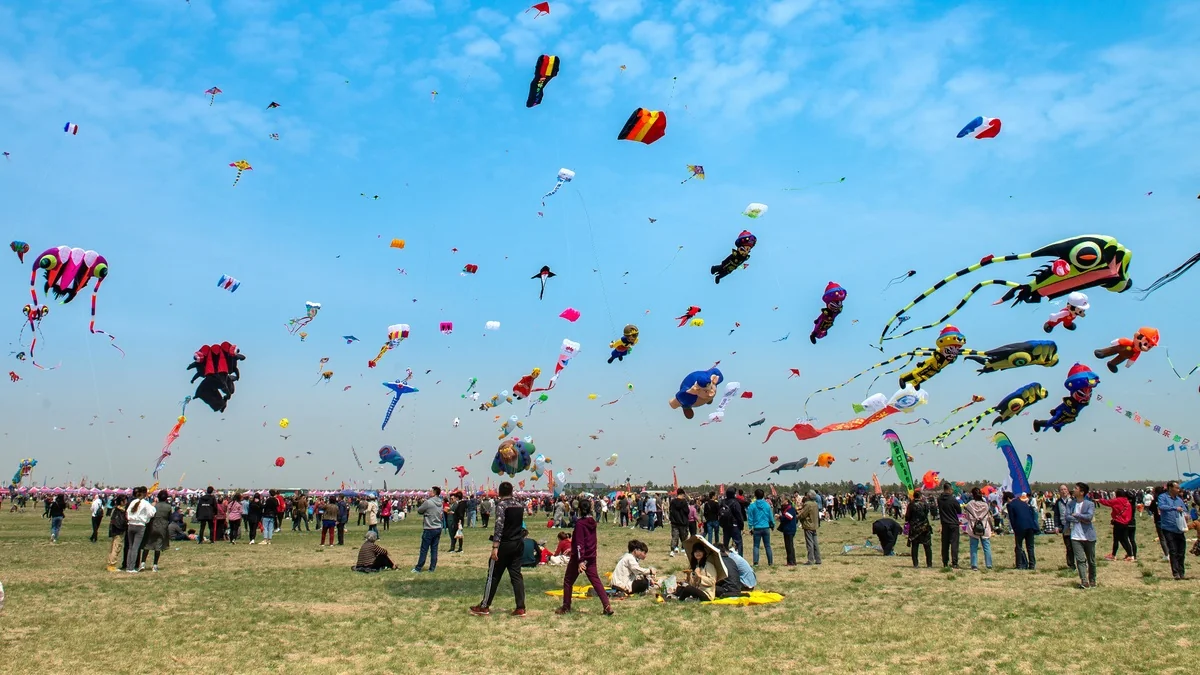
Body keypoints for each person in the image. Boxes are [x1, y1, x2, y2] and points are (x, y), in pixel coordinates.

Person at [471, 481, 527, 616]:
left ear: (500, 493)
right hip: (517, 543)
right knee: (516, 576)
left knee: (493, 575)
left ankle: (485, 605)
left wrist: (495, 546)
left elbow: (499, 526)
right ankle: (521, 607)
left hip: (505, 544)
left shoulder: (502, 505)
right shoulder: (519, 504)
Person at [554, 500, 613, 615]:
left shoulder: (580, 524)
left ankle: (566, 607)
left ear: (579, 509)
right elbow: (587, 541)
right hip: (591, 556)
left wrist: (580, 560)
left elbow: (580, 543)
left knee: (568, 581)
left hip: (579, 558)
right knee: (596, 582)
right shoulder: (592, 522)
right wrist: (573, 548)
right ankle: (607, 606)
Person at [1066, 482, 1097, 588]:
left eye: (1076, 488)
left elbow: (1089, 517)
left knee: (1091, 560)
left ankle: (1092, 579)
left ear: (1082, 492)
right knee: (1080, 560)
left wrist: (1078, 515)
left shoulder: (1090, 504)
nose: (1073, 490)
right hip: (1075, 536)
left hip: (1088, 536)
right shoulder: (1070, 504)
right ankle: (1084, 581)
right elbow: (1067, 516)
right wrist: (1079, 518)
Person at [1158, 480, 1189, 580]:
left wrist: (1186, 515)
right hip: (1168, 528)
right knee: (1173, 550)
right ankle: (1176, 573)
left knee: (1181, 551)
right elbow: (1162, 506)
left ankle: (1182, 572)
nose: (1178, 489)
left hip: (1179, 528)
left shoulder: (1179, 499)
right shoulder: (1163, 497)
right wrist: (1174, 508)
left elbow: (1184, 509)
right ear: (1170, 488)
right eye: (1176, 488)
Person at [413, 487, 444, 573]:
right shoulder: (440, 502)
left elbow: (419, 510)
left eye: (430, 491)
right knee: (434, 549)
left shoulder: (428, 502)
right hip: (438, 527)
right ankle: (432, 568)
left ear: (434, 493)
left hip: (429, 528)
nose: (429, 492)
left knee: (424, 549)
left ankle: (418, 567)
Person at [1098, 490, 1135, 561]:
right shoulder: (1127, 502)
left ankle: (1113, 555)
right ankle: (1130, 555)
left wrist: (1100, 500)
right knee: (1125, 539)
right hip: (1126, 523)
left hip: (1118, 522)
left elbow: (1108, 502)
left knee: (1116, 540)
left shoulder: (1117, 500)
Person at [126, 487, 156, 574]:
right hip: (140, 525)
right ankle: (131, 567)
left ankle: (128, 566)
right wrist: (153, 507)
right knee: (135, 548)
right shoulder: (146, 503)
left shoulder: (133, 502)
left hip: (131, 524)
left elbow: (128, 513)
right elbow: (151, 513)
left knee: (131, 547)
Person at [1005, 493, 1039, 570]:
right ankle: (1032, 565)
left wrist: (1014, 529)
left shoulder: (1010, 505)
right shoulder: (1024, 503)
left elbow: (1012, 519)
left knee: (1019, 546)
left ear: (1008, 499)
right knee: (1030, 547)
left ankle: (1020, 565)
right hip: (1030, 526)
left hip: (1020, 527)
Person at [141, 489, 172, 572]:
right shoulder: (168, 507)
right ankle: (155, 565)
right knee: (158, 546)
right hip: (162, 527)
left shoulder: (154, 505)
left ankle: (143, 563)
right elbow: (170, 518)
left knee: (147, 545)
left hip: (152, 526)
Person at [963, 487, 993, 571]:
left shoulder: (969, 504)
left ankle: (974, 565)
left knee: (973, 547)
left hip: (973, 527)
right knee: (986, 546)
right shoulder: (985, 505)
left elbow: (967, 516)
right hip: (984, 527)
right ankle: (989, 564)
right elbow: (988, 517)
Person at [905, 490, 933, 568]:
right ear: (920, 496)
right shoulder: (925, 504)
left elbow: (907, 517)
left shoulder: (911, 505)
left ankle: (915, 564)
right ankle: (929, 564)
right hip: (924, 527)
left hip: (914, 528)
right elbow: (927, 513)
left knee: (915, 546)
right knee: (927, 546)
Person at [937, 482, 961, 568]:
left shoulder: (939, 499)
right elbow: (959, 511)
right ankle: (954, 562)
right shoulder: (953, 499)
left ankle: (945, 562)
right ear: (949, 489)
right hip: (953, 524)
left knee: (945, 544)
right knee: (954, 544)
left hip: (944, 524)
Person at [1053, 485, 1076, 569]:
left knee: (1077, 546)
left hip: (1075, 526)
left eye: (1065, 489)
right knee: (1068, 546)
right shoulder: (1058, 502)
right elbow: (1056, 515)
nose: (1063, 491)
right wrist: (1056, 526)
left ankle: (1081, 563)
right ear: (1059, 492)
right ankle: (1071, 564)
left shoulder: (1073, 500)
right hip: (1065, 526)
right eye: (1061, 490)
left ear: (1068, 490)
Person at [106, 495, 128, 572]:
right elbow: (121, 522)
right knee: (116, 547)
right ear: (122, 502)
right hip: (118, 531)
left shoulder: (116, 509)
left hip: (115, 531)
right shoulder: (120, 511)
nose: (126, 502)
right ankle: (112, 565)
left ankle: (110, 563)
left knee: (113, 548)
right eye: (125, 500)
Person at [720, 488, 745, 554]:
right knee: (738, 543)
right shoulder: (735, 503)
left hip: (725, 525)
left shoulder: (722, 502)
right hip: (735, 525)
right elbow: (739, 515)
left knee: (725, 544)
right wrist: (741, 526)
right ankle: (739, 558)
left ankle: (725, 557)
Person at [799, 491, 821, 564]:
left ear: (808, 496)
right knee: (815, 543)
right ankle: (818, 559)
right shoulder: (815, 504)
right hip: (814, 525)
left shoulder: (807, 504)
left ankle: (810, 560)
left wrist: (795, 516)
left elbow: (803, 515)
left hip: (808, 525)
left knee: (809, 543)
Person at [778, 495, 799, 566]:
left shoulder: (790, 508)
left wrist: (780, 517)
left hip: (790, 529)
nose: (781, 501)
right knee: (788, 546)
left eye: (782, 500)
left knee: (789, 546)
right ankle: (791, 561)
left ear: (787, 500)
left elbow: (788, 517)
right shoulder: (785, 508)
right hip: (786, 529)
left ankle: (791, 561)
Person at [668, 489, 690, 556]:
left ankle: (672, 550)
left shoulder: (672, 502)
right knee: (684, 537)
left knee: (674, 537)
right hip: (683, 523)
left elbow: (670, 511)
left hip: (674, 522)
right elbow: (687, 511)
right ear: (682, 494)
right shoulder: (684, 502)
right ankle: (684, 550)